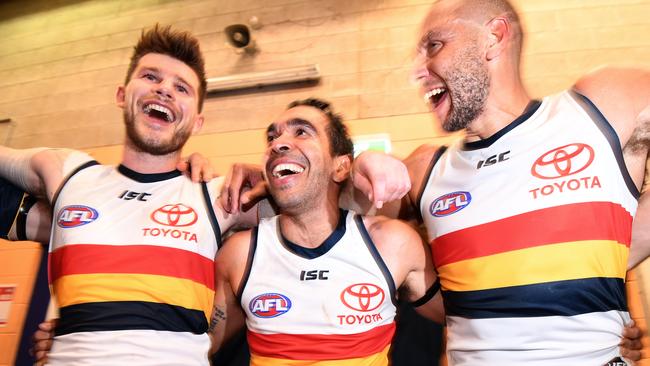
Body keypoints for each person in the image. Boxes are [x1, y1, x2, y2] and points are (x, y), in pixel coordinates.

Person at [348, 0, 650, 364]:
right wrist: (358, 168)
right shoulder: (426, 170)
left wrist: (610, 250)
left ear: (494, 37)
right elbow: (325, 216)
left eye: (434, 46)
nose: (417, 71)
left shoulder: (601, 107)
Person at [0, 24, 259, 365]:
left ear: (197, 121)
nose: (164, 89)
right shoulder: (69, 173)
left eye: (181, 87)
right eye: (151, 77)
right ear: (122, 95)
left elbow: (333, 207)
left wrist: (269, 177)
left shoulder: (218, 194)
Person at [209, 98, 443, 365]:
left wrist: (371, 159)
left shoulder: (392, 244)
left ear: (341, 166)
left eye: (302, 132)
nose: (278, 143)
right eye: (272, 137)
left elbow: (464, 321)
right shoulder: (239, 254)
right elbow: (197, 346)